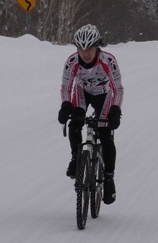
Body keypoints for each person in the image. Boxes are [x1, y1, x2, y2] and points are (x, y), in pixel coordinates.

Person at [58, 24, 124, 205]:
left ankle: (109, 179)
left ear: (97, 47)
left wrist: (115, 110)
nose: (85, 53)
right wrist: (65, 105)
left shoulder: (108, 61)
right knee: (75, 123)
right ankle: (75, 158)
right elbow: (66, 87)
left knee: (105, 134)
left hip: (104, 94)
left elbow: (118, 89)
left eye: (89, 49)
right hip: (83, 92)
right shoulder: (72, 62)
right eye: (81, 49)